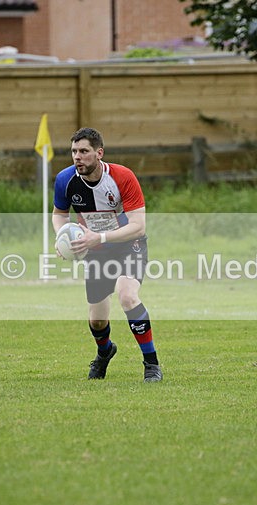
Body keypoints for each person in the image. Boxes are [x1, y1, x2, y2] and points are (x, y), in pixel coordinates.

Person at [52, 127, 162, 382]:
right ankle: (104, 352)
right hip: (96, 252)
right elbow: (59, 214)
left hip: (129, 245)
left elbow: (138, 226)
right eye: (74, 151)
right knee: (97, 321)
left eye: (84, 151)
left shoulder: (123, 177)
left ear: (99, 153)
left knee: (127, 296)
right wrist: (62, 238)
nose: (77, 157)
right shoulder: (65, 180)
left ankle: (151, 364)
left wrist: (99, 237)